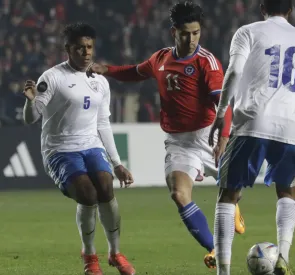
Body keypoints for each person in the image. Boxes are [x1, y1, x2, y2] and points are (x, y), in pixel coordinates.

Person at [85, 1, 245, 268]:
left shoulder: (207, 63)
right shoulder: (160, 59)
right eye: (186, 33)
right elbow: (135, 72)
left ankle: (234, 205)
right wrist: (108, 70)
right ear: (174, 32)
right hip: (179, 142)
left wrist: (225, 137)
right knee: (179, 194)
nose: (192, 39)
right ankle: (214, 249)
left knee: (233, 192)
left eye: (196, 33)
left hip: (209, 135)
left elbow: (223, 104)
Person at [209, 0, 295, 274]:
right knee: (287, 192)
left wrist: (221, 113)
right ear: (290, 10)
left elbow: (236, 71)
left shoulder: (247, 32)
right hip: (290, 127)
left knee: (228, 194)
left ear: (262, 7)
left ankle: (223, 271)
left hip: (252, 121)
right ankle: (283, 258)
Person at [22, 22, 135, 275]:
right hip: (59, 150)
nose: (86, 53)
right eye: (80, 48)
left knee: (106, 187)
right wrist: (31, 103)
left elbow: (103, 123)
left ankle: (115, 253)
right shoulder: (52, 77)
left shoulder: (100, 82)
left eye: (89, 47)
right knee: (87, 194)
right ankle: (89, 254)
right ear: (68, 50)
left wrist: (117, 163)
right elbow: (31, 118)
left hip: (91, 145)